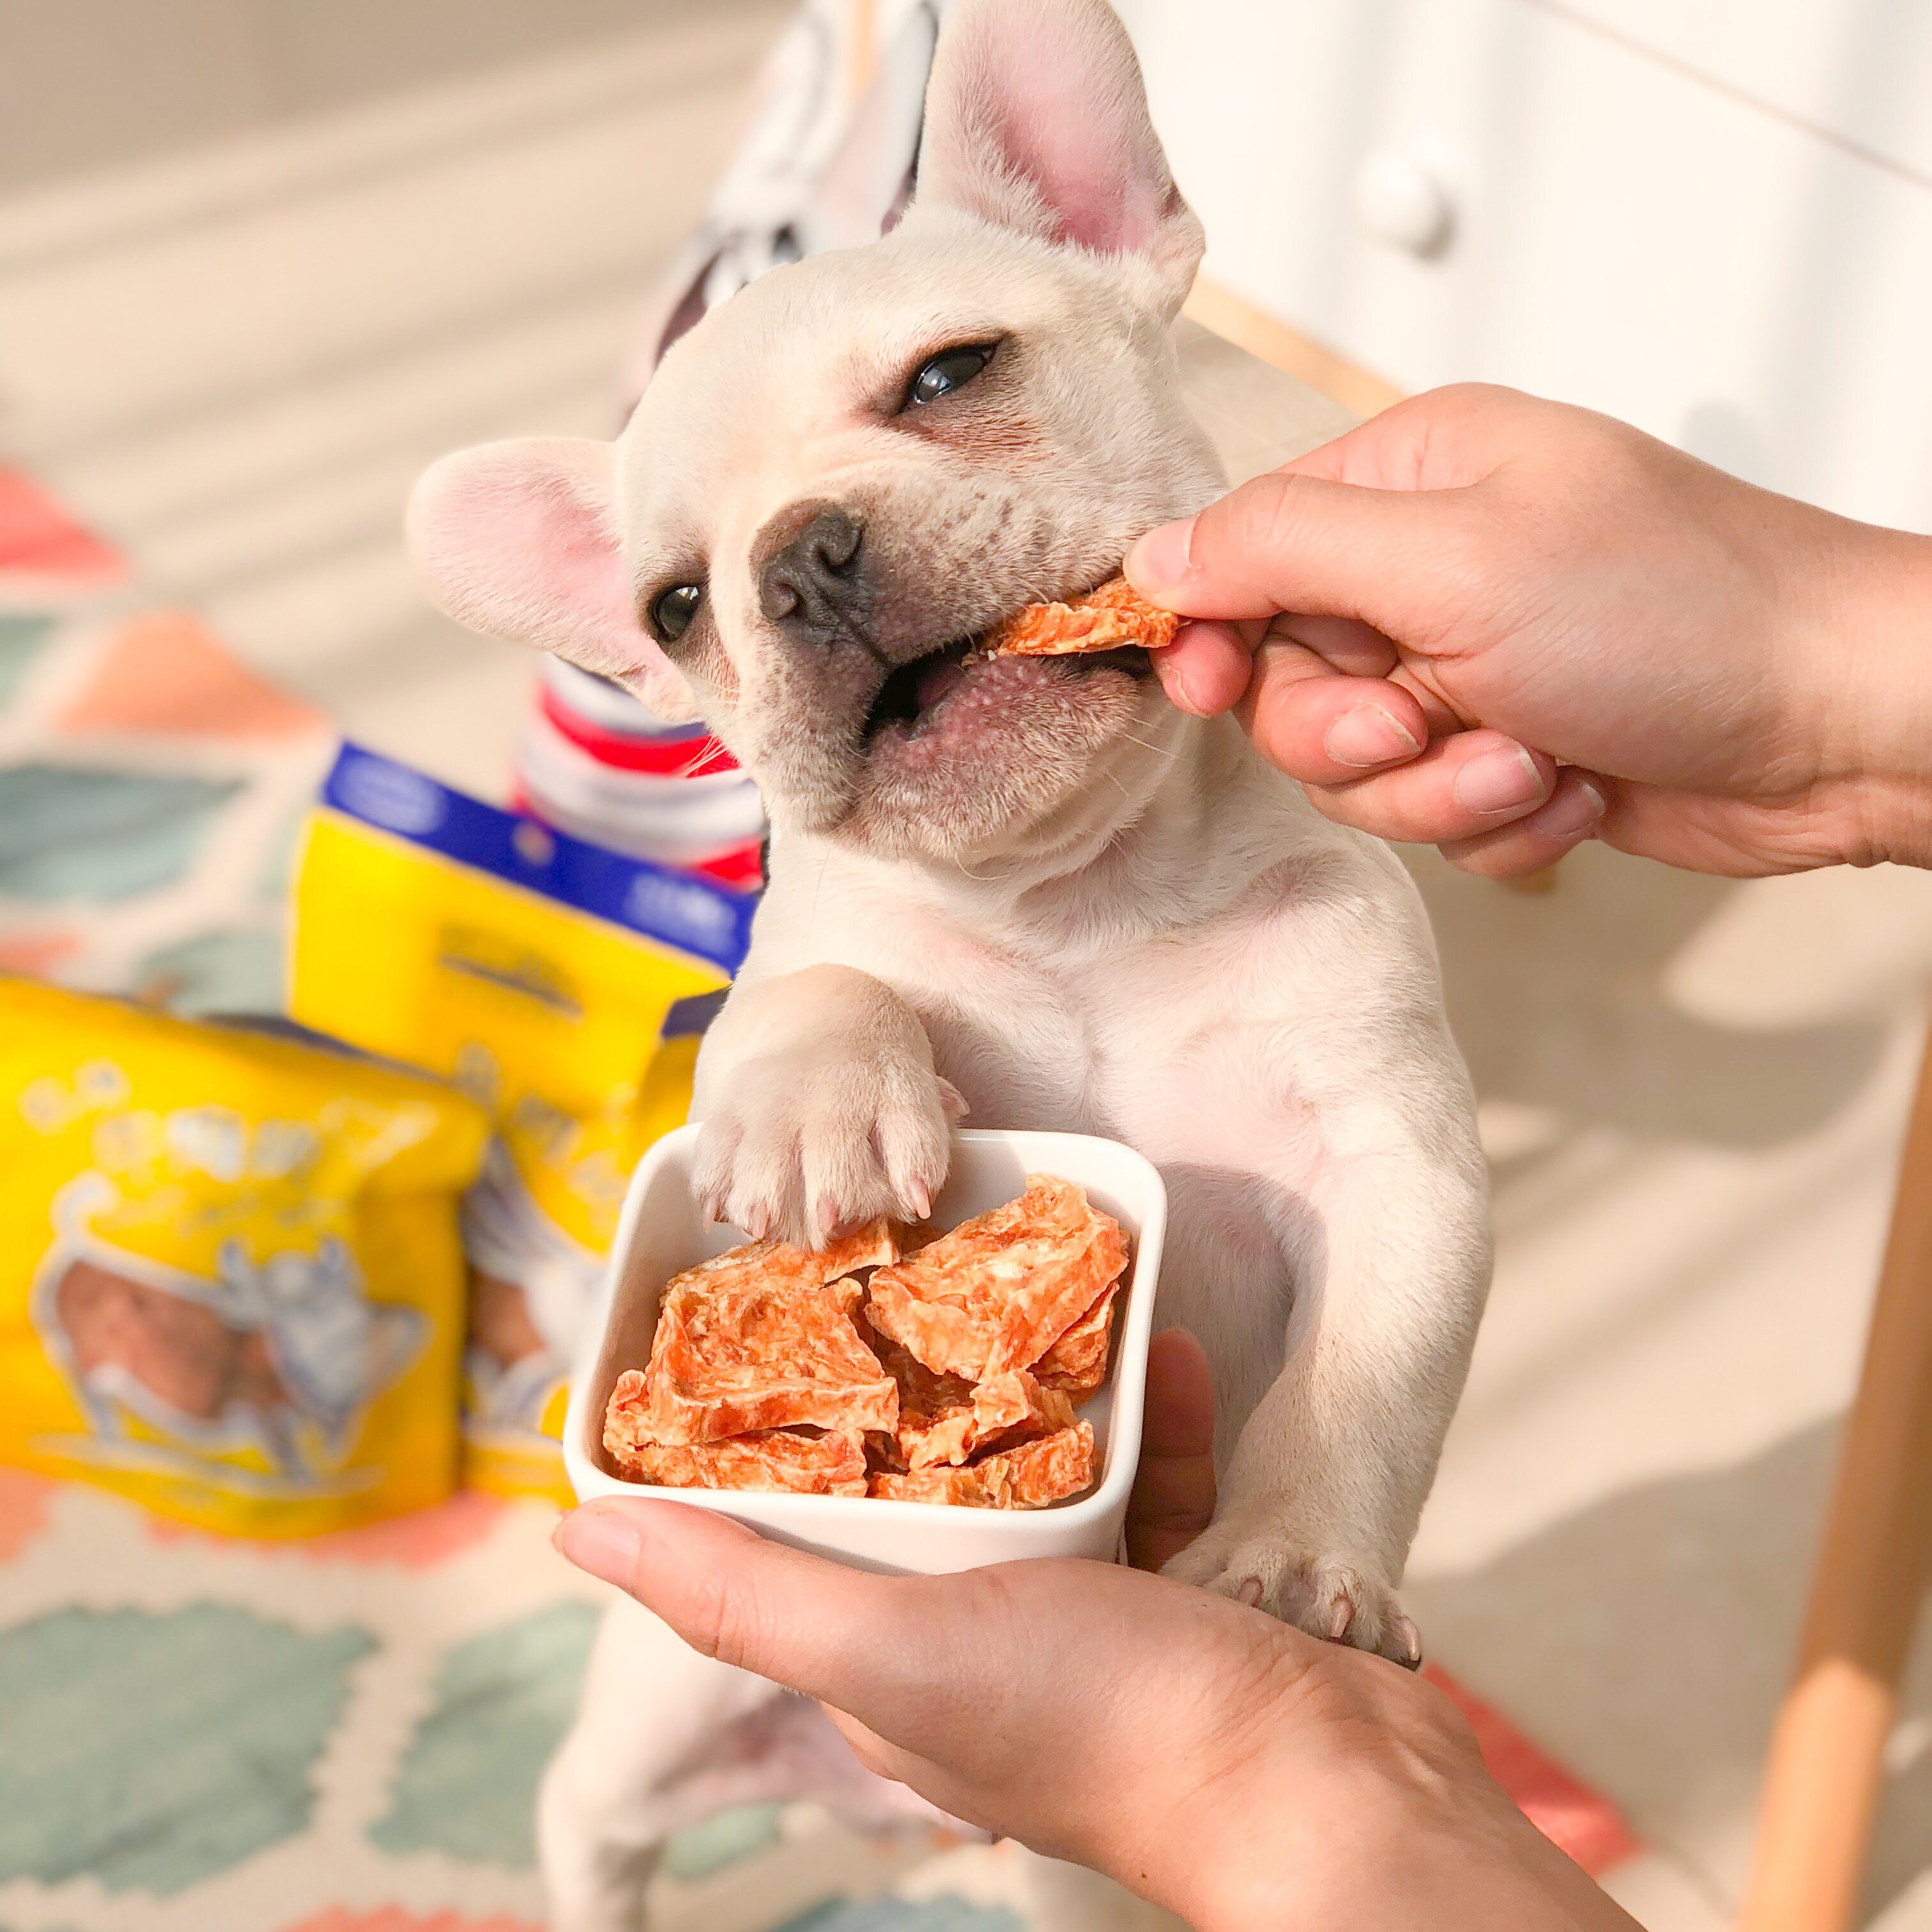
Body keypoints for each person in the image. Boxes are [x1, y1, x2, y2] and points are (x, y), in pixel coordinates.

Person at [555, 385, 1932, 1929]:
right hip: (818, 1532)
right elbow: (767, 1064)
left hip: (1153, 1617)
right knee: (613, 1787)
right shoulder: (837, 898)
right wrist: (819, 1025)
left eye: (949, 380)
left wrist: (1320, 1517)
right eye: (687, 602)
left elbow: (1396, 1181)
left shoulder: (1311, 898)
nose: (800, 571)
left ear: (1117, 250)